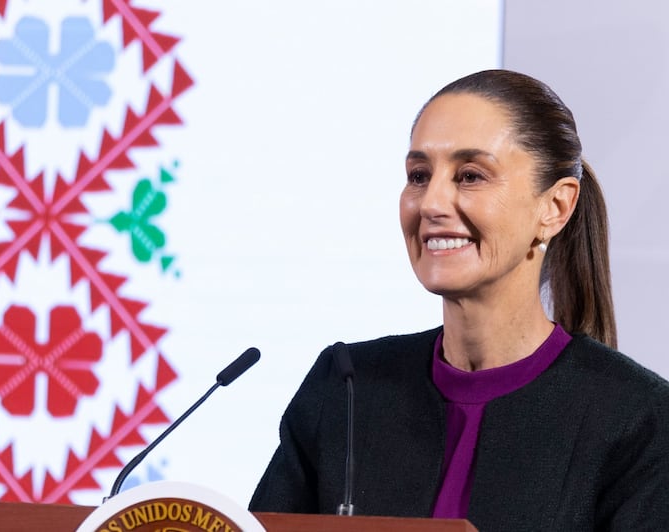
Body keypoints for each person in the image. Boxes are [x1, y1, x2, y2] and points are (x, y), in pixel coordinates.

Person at [248, 70, 669, 531]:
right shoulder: (345, 385)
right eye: (419, 175)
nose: (431, 203)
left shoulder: (638, 418)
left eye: (470, 175)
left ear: (555, 208)